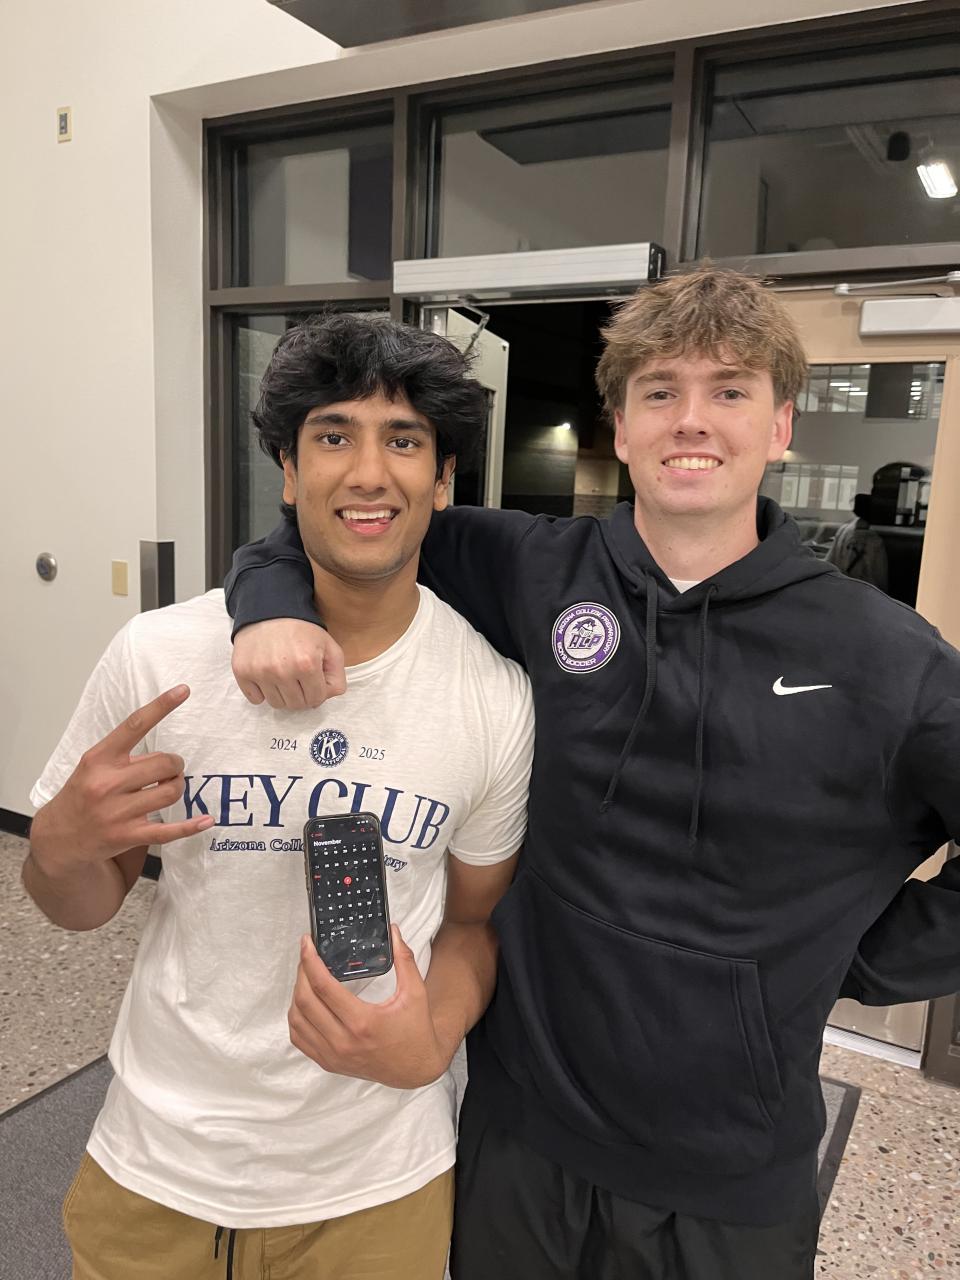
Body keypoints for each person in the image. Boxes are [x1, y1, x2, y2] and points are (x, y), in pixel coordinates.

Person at [224, 268, 960, 1280]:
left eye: (730, 389)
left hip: (728, 1181)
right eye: (660, 391)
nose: (691, 420)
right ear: (621, 425)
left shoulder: (889, 658)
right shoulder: (532, 566)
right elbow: (349, 521)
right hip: (519, 1133)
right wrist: (267, 604)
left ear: (780, 424)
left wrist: (856, 958)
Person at [24, 313, 534, 1280]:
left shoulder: (493, 697)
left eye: (404, 441)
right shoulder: (161, 657)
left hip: (376, 1178)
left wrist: (430, 1042)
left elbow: (475, 924)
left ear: (444, 479)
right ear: (289, 472)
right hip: (160, 1157)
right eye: (334, 436)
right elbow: (77, 906)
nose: (369, 473)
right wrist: (57, 848)